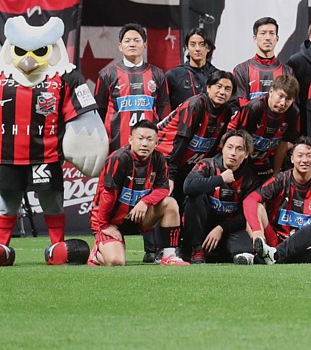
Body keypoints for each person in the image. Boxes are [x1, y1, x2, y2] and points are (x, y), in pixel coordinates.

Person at [89, 121, 187, 266]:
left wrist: (145, 202)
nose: (144, 144)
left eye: (149, 139)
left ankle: (169, 255)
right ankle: (96, 254)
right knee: (116, 262)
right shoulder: (120, 158)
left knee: (170, 203)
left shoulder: (158, 159)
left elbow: (163, 189)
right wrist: (103, 225)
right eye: (140, 138)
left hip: (139, 216)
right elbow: (108, 194)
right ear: (131, 140)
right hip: (110, 220)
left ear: (156, 142)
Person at [180, 129, 263, 263]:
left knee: (244, 250)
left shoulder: (250, 179)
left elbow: (244, 215)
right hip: (201, 227)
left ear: (246, 154)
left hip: (227, 229)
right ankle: (196, 248)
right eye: (229, 147)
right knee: (194, 196)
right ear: (222, 148)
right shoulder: (207, 165)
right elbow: (187, 187)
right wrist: (220, 179)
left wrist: (222, 228)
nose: (233, 153)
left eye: (239, 149)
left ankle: (218, 253)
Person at [94, 23, 171, 150]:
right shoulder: (107, 75)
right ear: (120, 46)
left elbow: (164, 111)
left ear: (144, 45)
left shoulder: (158, 74)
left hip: (149, 149)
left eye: (136, 40)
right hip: (116, 148)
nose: (132, 44)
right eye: (127, 41)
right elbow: (98, 112)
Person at [156, 71, 236, 188]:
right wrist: (170, 176)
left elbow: (214, 147)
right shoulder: (195, 105)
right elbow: (181, 141)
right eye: (219, 87)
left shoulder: (226, 111)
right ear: (208, 87)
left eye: (227, 89)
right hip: (165, 158)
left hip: (187, 163)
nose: (222, 92)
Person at [228, 74, 301, 181]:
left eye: (288, 99)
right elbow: (240, 141)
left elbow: (283, 145)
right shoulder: (255, 107)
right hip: (245, 158)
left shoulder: (293, 112)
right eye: (280, 96)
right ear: (271, 91)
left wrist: (276, 174)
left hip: (266, 159)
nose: (283, 103)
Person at [231, 17, 293, 105]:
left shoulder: (288, 71)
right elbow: (239, 104)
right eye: (263, 33)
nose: (268, 38)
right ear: (255, 38)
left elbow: (291, 103)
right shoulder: (241, 70)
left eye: (271, 33)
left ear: (277, 38)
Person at [165, 27, 216, 109]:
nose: (197, 49)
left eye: (202, 44)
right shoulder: (173, 75)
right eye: (193, 44)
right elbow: (163, 106)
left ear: (208, 48)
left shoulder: (217, 76)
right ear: (187, 48)